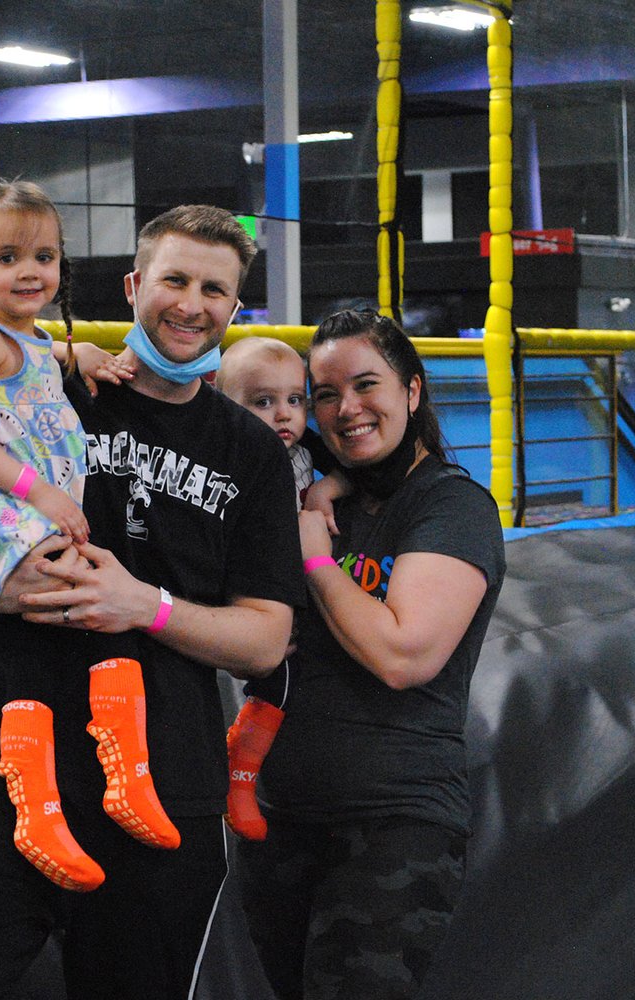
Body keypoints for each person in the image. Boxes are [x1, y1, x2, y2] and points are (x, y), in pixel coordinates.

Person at [0, 204, 304, 1000]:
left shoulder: (250, 449)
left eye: (215, 290)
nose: (192, 305)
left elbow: (263, 641)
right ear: (135, 285)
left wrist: (143, 605)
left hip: (162, 780)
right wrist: (6, 586)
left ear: (235, 307)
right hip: (8, 759)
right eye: (175, 280)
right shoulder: (50, 386)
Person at [0, 179, 175, 894]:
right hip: (0, 506)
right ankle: (40, 799)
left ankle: (125, 770)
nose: (30, 272)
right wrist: (40, 492)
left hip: (32, 508)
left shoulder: (26, 339)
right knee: (68, 604)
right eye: (8, 258)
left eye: (45, 257)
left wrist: (83, 355)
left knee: (96, 607)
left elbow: (42, 362)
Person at [236, 308, 506, 1000]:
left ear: (412, 390)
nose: (346, 408)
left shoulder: (452, 507)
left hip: (393, 824)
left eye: (365, 385)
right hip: (281, 820)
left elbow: (403, 655)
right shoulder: (309, 494)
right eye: (325, 394)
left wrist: (316, 564)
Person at [215, 336, 342, 840]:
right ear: (225, 407)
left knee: (296, 674)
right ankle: (240, 773)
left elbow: (360, 470)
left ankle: (244, 769)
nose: (284, 414)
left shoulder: (306, 450)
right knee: (275, 678)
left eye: (295, 399)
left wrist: (327, 488)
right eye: (263, 401)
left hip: (295, 585)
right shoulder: (228, 454)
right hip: (249, 587)